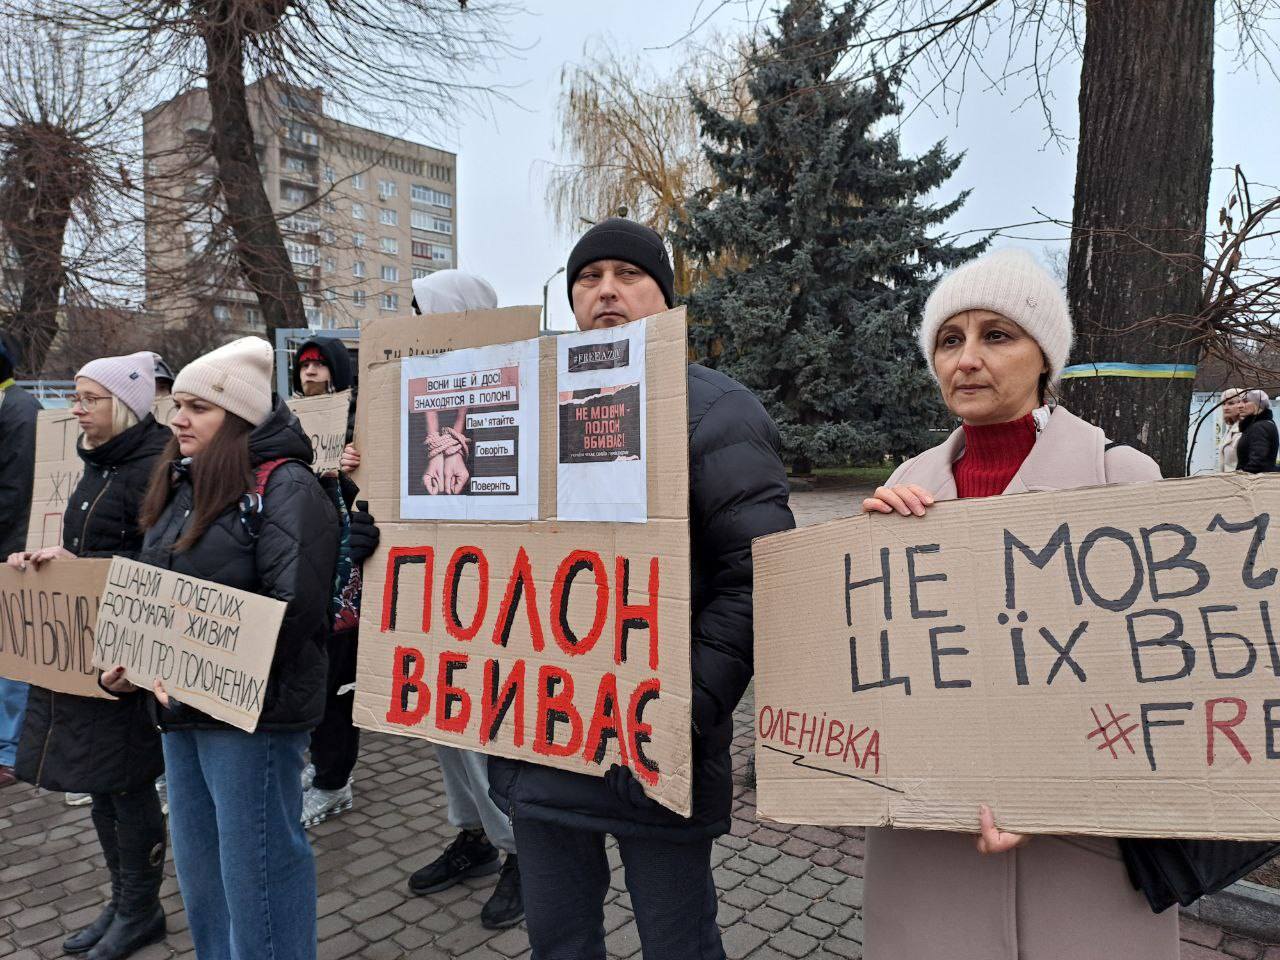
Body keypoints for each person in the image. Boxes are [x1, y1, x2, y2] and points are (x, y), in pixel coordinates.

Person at [488, 218, 796, 960]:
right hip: (540, 736)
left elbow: (758, 576)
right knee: (557, 939)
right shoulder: (525, 408)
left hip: (655, 746)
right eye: (588, 280)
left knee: (678, 941)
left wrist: (686, 705)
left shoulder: (718, 413)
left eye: (628, 275)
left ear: (665, 297)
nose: (606, 292)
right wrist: (385, 538)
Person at [858, 248, 1175, 960]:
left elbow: (1166, 690)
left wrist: (1058, 788)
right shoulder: (906, 488)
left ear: (1044, 359)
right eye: (949, 339)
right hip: (927, 860)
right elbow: (877, 680)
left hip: (1081, 868)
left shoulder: (1121, 481)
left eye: (996, 335)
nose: (967, 358)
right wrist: (865, 561)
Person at [100, 337, 338, 960]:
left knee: (257, 870)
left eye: (197, 408)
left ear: (238, 417)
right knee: (203, 869)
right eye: (177, 405)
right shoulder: (183, 481)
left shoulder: (286, 488)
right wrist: (131, 662)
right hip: (179, 709)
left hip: (250, 719)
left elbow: (295, 609)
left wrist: (189, 665)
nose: (178, 418)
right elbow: (159, 586)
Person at [9, 352, 170, 959]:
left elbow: (165, 563)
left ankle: (141, 908)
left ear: (124, 406)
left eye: (87, 399)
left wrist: (87, 571)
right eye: (74, 397)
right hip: (90, 647)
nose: (74, 410)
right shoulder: (102, 463)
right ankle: (123, 899)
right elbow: (92, 545)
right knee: (103, 784)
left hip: (128, 657)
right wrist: (48, 560)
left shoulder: (153, 468)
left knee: (126, 783)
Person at [399, 270, 523, 930]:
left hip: (489, 590)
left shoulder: (511, 389)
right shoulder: (412, 392)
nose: (414, 325)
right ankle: (475, 834)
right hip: (431, 587)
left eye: (424, 312)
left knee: (484, 734)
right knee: (442, 725)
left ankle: (521, 852)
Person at [288, 334, 381, 827]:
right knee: (313, 681)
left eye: (321, 365)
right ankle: (322, 765)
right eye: (304, 366)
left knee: (337, 687)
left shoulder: (360, 430)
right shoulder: (289, 426)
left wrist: (351, 472)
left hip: (345, 579)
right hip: (307, 575)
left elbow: (374, 500)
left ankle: (334, 780)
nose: (310, 373)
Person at [0, 330, 40, 787]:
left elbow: (13, 491)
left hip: (12, 549)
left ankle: (13, 751)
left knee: (14, 653)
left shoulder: (18, 409)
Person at [1234, 389, 1277, 474]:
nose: (1239, 406)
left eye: (1245, 401)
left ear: (1259, 404)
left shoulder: (1259, 427)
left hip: (1254, 484)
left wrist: (1241, 477)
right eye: (1239, 402)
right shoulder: (1258, 425)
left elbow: (1257, 463)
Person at [1217, 387, 1245, 472]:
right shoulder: (1230, 428)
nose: (1226, 407)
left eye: (1231, 403)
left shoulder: (1247, 429)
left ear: (1242, 404)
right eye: (1223, 404)